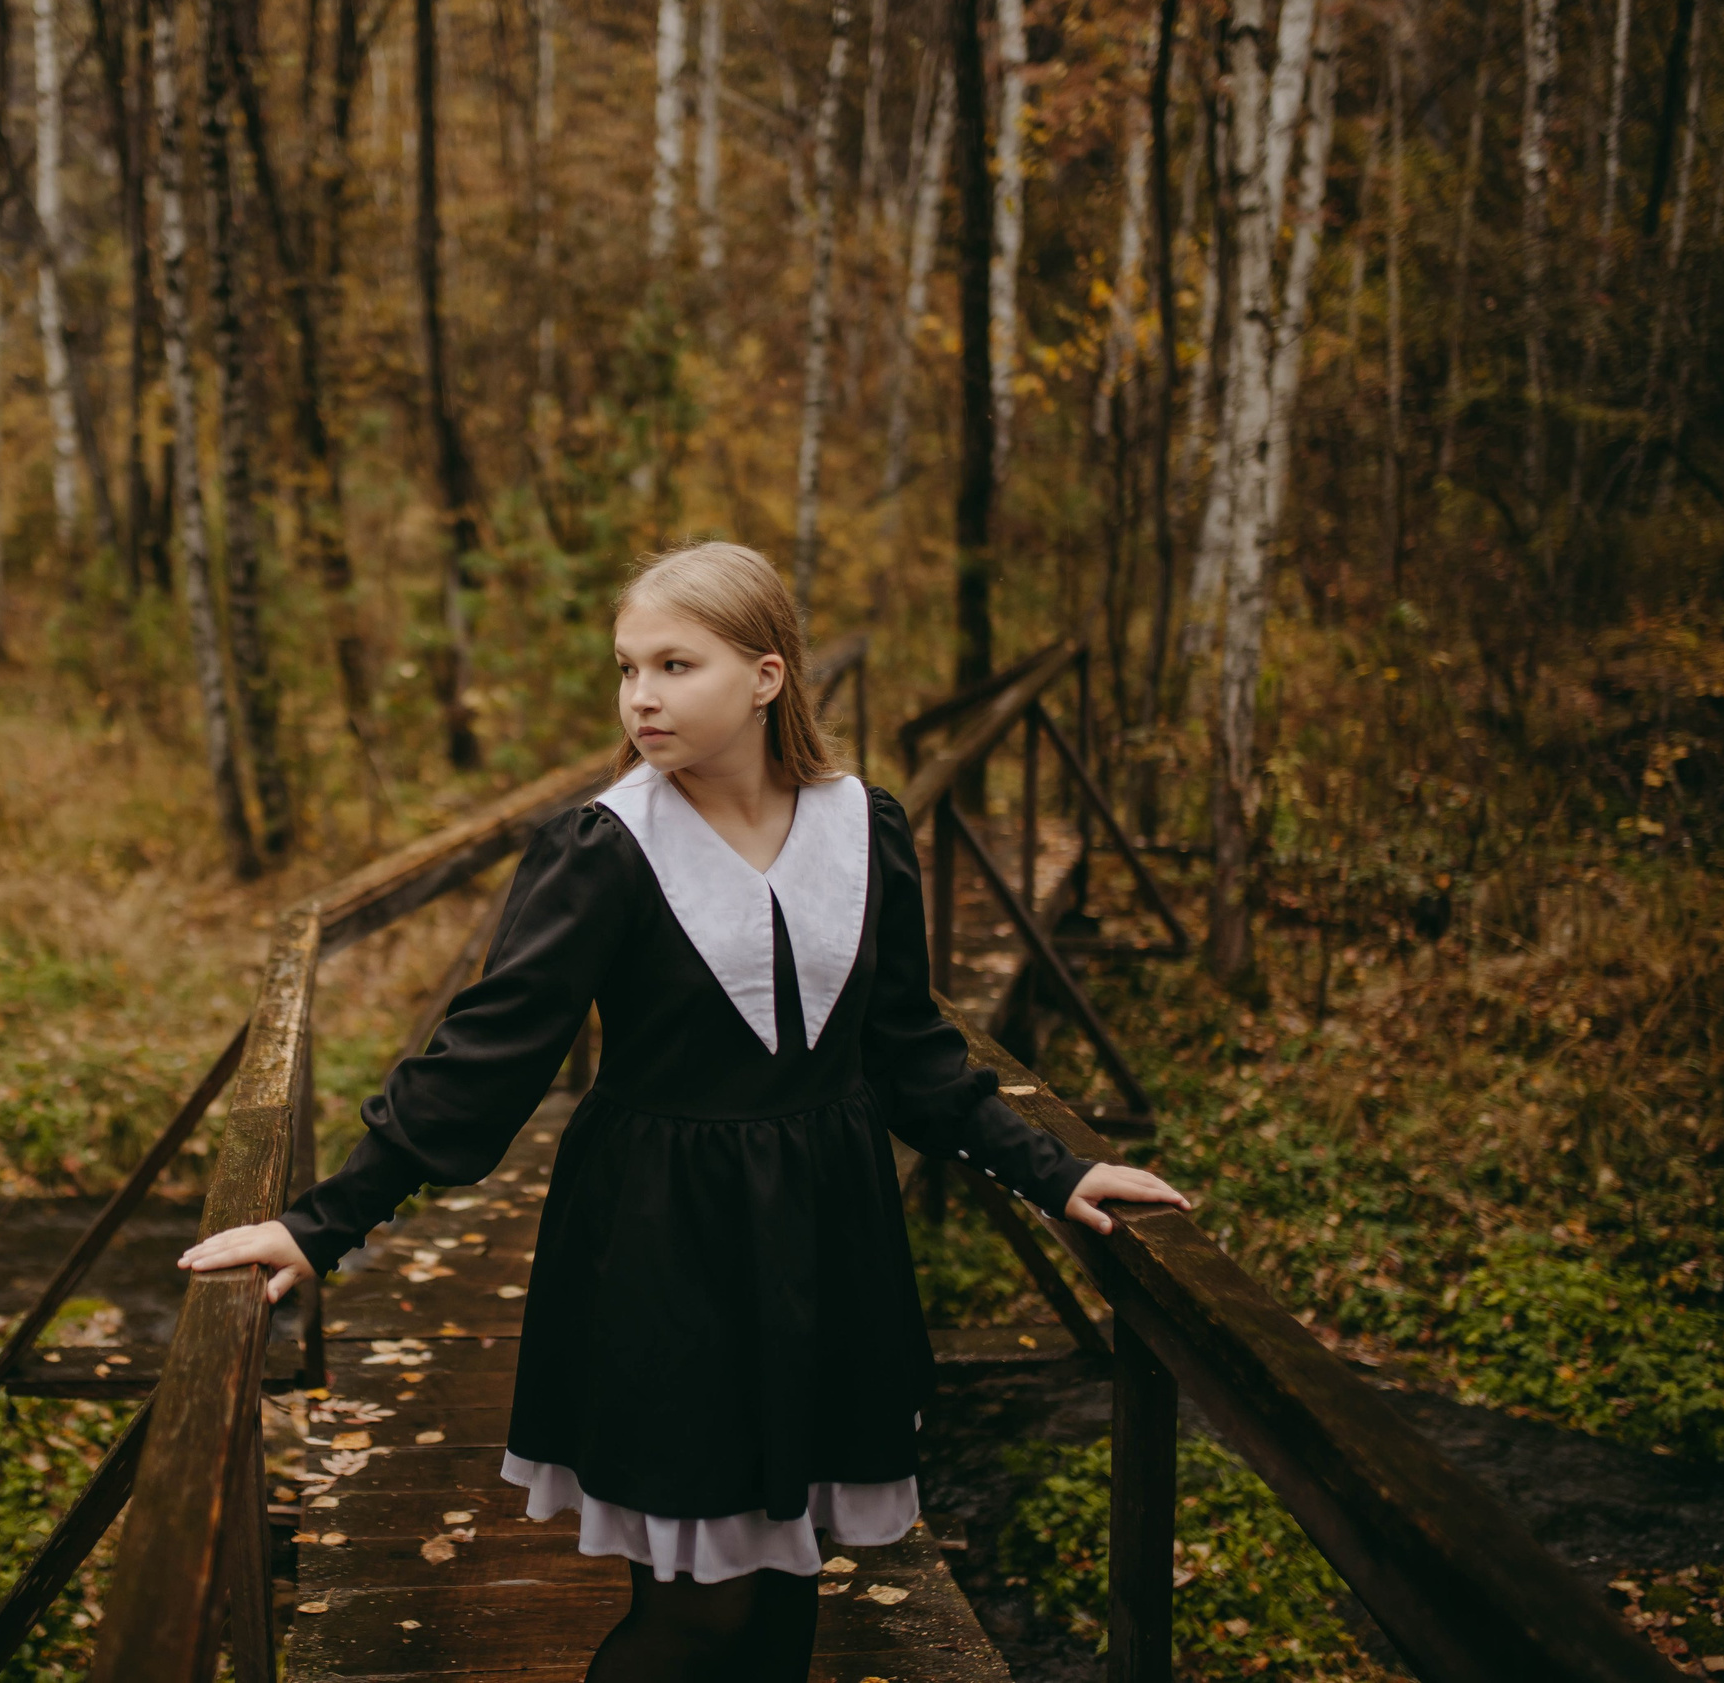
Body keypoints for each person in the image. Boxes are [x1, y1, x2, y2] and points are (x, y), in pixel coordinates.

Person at [180, 541, 1189, 1679]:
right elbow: (484, 1063)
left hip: (828, 1240)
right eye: (627, 667)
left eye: (674, 664)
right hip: (666, 1246)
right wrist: (318, 1224)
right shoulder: (606, 846)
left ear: (766, 677)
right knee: (696, 1617)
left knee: (785, 1596)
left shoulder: (865, 827)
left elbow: (911, 1054)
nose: (640, 697)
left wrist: (1058, 1171)